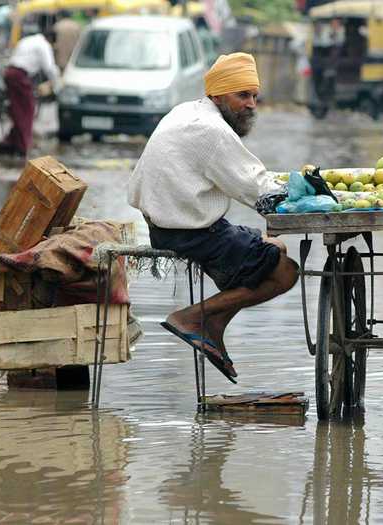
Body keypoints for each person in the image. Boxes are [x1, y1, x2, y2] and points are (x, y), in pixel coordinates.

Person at [127, 53, 299, 383]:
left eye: (253, 96)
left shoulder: (187, 112)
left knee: (274, 244)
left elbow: (245, 177)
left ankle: (214, 324)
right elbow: (259, 191)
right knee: (284, 272)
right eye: (242, 96)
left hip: (170, 226)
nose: (250, 105)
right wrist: (310, 195)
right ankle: (191, 318)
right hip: (189, 231)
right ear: (218, 95)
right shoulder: (212, 131)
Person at [0, 30, 60, 157]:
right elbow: (49, 68)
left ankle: (10, 142)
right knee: (28, 110)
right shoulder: (43, 45)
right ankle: (22, 145)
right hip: (19, 75)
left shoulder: (27, 40)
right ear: (51, 40)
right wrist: (56, 84)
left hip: (10, 73)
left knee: (18, 110)